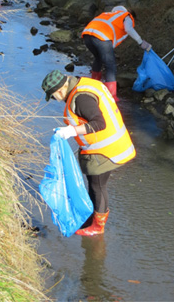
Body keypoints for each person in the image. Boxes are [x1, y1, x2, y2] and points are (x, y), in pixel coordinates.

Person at [41, 69, 136, 237]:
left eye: (54, 95)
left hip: (105, 150)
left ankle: (98, 226)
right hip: (113, 144)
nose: (55, 100)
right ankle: (94, 217)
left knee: (97, 186)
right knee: (96, 185)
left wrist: (71, 131)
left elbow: (99, 123)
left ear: (62, 88)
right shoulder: (84, 83)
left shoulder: (81, 98)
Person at [82, 5, 152, 100]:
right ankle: (111, 96)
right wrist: (141, 42)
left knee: (98, 58)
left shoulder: (107, 14)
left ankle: (93, 86)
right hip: (102, 37)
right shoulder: (126, 16)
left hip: (87, 35)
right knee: (110, 65)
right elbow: (128, 29)